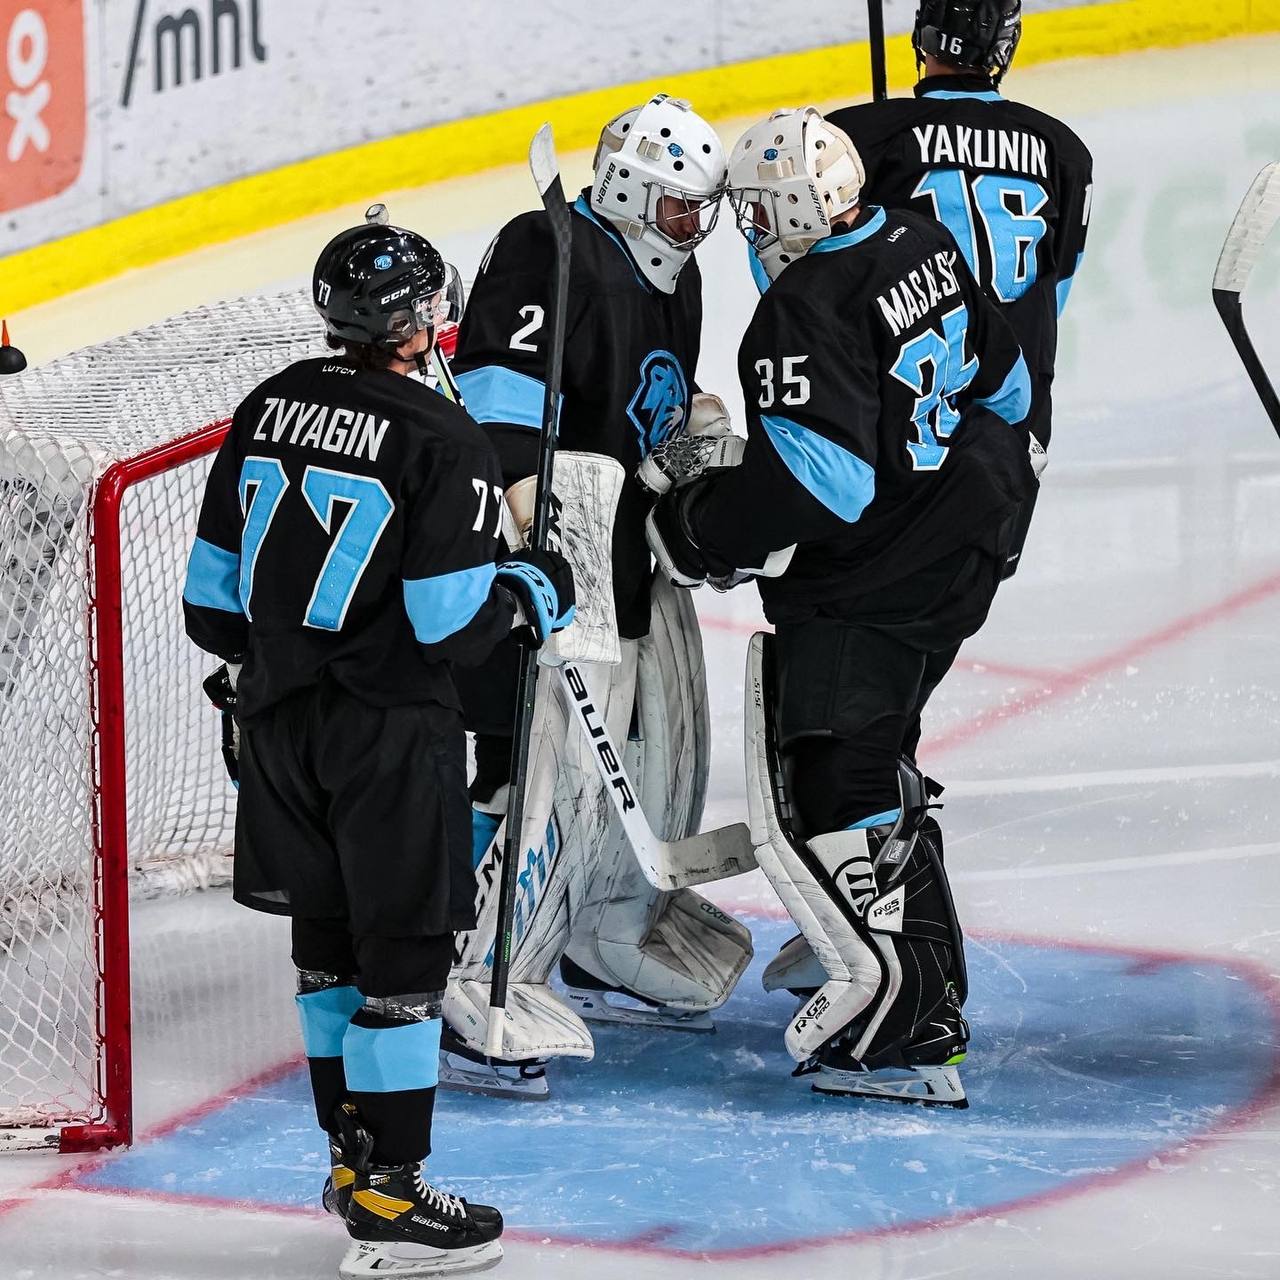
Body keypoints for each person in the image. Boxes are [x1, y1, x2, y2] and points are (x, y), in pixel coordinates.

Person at [182, 222, 574, 1278]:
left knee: (327, 947)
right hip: (385, 731)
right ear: (419, 321)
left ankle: (349, 1164)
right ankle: (390, 1196)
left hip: (272, 725)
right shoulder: (443, 437)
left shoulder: (267, 403)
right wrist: (526, 590)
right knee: (402, 959)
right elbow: (447, 624)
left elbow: (210, 607)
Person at [647, 107, 1036, 1106]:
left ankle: (900, 1020)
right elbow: (1005, 385)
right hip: (972, 532)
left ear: (779, 211)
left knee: (835, 765)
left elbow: (823, 489)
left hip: (886, 573)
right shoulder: (920, 232)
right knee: (879, 748)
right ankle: (913, 972)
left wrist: (694, 527)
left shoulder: (803, 305)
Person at [444, 93, 753, 1097]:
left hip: (628, 547)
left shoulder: (678, 274)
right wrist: (528, 514)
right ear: (626, 185)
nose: (693, 225)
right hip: (548, 559)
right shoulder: (547, 246)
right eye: (677, 206)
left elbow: (656, 398)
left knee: (653, 755)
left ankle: (604, 929)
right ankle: (476, 979)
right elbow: (495, 392)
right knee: (546, 776)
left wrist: (694, 432)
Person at [826, 0, 1093, 751]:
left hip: (902, 413)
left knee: (867, 600)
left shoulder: (860, 139)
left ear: (922, 38)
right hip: (1010, 429)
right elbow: (1052, 294)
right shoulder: (1064, 151)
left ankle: (867, 761)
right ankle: (885, 748)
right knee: (951, 591)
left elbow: (803, 282)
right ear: (1004, 47)